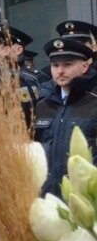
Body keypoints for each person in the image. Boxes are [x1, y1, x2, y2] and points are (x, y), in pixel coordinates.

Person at [34, 38, 97, 196]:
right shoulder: (42, 103)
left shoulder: (94, 100)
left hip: (87, 196)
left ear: (84, 66)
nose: (60, 71)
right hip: (49, 195)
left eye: (67, 64)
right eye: (55, 65)